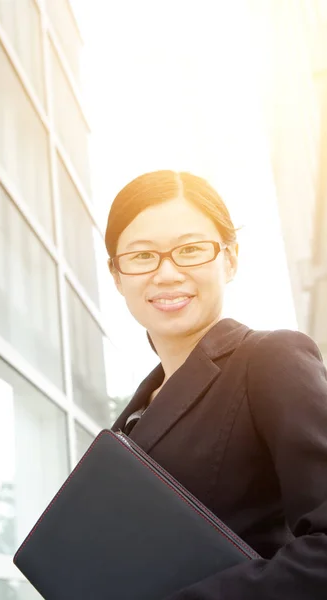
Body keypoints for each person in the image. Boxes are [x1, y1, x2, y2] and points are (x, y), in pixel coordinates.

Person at [105, 170, 327, 599]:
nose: (167, 274)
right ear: (117, 276)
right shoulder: (131, 419)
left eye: (190, 250)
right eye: (141, 256)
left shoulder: (270, 360)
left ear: (231, 258)